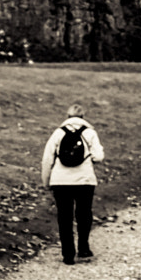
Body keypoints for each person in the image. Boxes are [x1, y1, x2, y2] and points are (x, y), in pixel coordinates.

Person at [40, 104, 105, 264]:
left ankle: (68, 254)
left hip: (60, 181)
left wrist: (46, 182)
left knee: (64, 216)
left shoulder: (58, 133)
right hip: (85, 181)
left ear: (67, 116)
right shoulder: (90, 133)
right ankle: (83, 247)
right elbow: (99, 156)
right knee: (84, 214)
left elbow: (47, 160)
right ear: (83, 117)